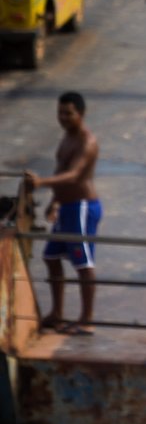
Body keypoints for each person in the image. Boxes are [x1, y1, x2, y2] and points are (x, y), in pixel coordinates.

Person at [24, 92, 102, 336]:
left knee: (83, 264)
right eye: (60, 113)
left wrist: (41, 182)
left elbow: (75, 174)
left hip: (81, 207)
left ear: (81, 114)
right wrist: (55, 201)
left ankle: (86, 319)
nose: (63, 118)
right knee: (51, 256)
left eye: (68, 113)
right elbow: (62, 169)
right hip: (66, 207)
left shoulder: (87, 141)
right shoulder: (66, 137)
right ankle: (57, 313)